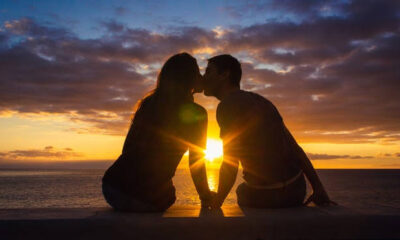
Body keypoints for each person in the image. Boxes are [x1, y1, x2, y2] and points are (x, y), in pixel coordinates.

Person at [202, 54, 336, 209]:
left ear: (225, 74)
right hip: (296, 191)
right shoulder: (261, 101)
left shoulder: (227, 105)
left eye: (208, 72)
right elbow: (295, 149)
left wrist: (217, 202)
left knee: (241, 191)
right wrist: (318, 188)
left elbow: (230, 163)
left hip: (265, 195)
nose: (204, 78)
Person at [102, 53, 214, 212]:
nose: (201, 76)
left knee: (164, 188)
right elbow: (196, 161)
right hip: (144, 198)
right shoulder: (197, 113)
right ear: (188, 77)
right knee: (169, 195)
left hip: (112, 188)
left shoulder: (149, 103)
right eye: (197, 72)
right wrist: (205, 196)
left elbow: (127, 148)